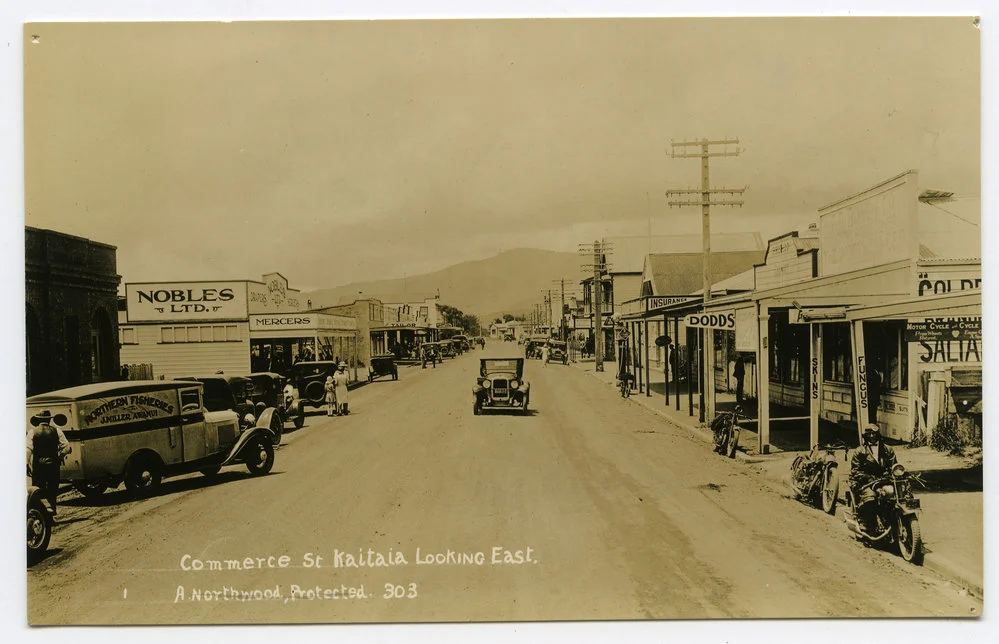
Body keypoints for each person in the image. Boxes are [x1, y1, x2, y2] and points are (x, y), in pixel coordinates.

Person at [849, 424, 899, 536]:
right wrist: (869, 477)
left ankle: (891, 521)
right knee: (870, 498)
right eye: (869, 434)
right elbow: (855, 471)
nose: (872, 436)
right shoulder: (859, 451)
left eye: (874, 434)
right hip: (864, 482)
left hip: (883, 480)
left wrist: (893, 473)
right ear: (865, 436)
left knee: (896, 495)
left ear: (878, 435)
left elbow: (893, 466)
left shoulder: (887, 449)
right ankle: (867, 524)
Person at [26, 410, 72, 515]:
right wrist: (60, 457)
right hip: (53, 465)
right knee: (52, 489)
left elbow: (28, 450)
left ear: (38, 420)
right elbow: (66, 447)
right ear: (49, 420)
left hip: (38, 465)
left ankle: (41, 514)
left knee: (38, 489)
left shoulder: (32, 432)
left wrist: (26, 465)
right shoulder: (57, 431)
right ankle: (52, 510)